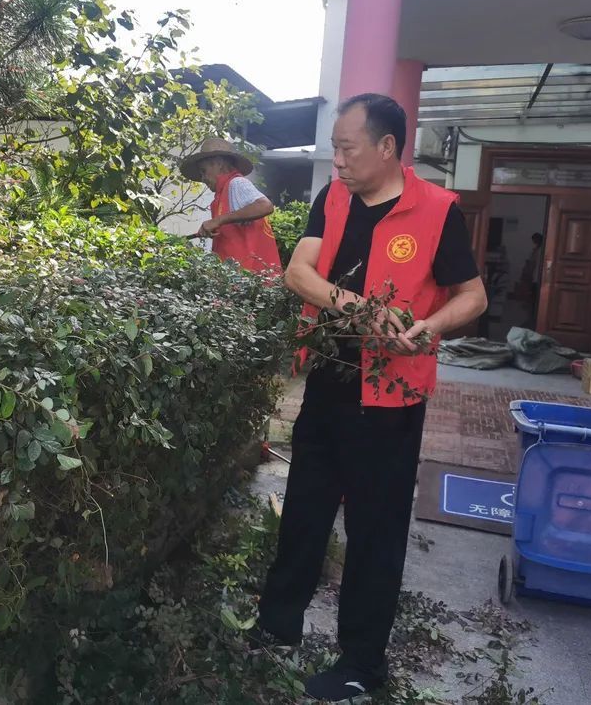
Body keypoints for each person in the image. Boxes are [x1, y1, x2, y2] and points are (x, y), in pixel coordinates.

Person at [253, 94, 488, 702]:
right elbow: (299, 273)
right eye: (334, 149)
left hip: (392, 399)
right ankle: (277, 625)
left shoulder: (437, 210)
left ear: (387, 148)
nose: (337, 161)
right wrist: (360, 308)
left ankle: (361, 662)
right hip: (330, 381)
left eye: (346, 148)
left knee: (374, 531)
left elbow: (473, 296)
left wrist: (430, 326)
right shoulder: (333, 199)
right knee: (303, 511)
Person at [179, 138, 282, 274]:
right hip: (238, 276)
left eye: (204, 171)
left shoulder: (237, 183)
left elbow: (265, 205)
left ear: (219, 163)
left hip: (250, 276)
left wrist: (217, 220)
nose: (203, 178)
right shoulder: (223, 194)